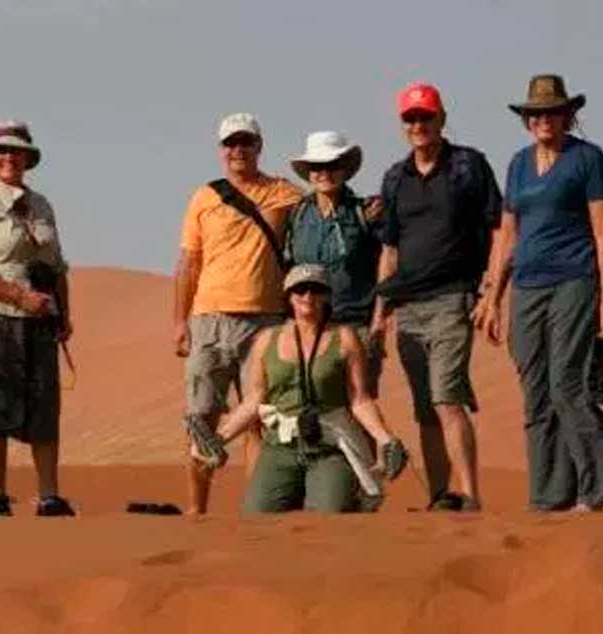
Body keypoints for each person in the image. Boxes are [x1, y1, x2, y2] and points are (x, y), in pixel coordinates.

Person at [475, 74, 603, 511]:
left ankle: (596, 490)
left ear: (568, 116)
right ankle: (548, 497)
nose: (544, 120)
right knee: (536, 391)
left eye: (552, 112)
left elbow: (601, 231)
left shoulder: (587, 159)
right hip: (527, 286)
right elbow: (507, 233)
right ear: (527, 120)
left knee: (569, 384)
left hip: (574, 278)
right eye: (536, 114)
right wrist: (493, 296)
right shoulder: (518, 164)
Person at [373, 82, 502, 511]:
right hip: (408, 306)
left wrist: (490, 291)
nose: (419, 125)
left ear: (441, 118)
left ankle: (470, 495)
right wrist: (380, 310)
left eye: (426, 116)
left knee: (447, 397)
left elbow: (499, 226)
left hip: (452, 298)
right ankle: (439, 497)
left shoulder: (468, 165)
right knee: (424, 407)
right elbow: (389, 249)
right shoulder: (396, 177)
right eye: (410, 118)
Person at [174, 113, 303, 516]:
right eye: (230, 143)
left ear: (259, 147)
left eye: (246, 143)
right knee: (201, 417)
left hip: (265, 321)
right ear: (220, 149)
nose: (238, 151)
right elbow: (188, 262)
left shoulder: (285, 194)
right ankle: (197, 510)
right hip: (208, 318)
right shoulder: (204, 198)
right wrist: (179, 321)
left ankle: (256, 510)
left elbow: (321, 210)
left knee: (260, 417)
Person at [208, 265, 405, 513]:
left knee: (330, 515)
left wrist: (387, 440)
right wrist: (220, 438)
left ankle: (344, 491)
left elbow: (359, 400)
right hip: (281, 446)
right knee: (255, 515)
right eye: (300, 289)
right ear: (289, 296)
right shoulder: (266, 340)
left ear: (326, 295)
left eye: (316, 289)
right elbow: (254, 400)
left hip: (329, 445)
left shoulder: (344, 338)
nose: (308, 296)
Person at [0, 120, 75, 517]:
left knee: (45, 405)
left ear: (27, 158)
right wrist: (20, 297)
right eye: (1, 151)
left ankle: (49, 494)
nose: (9, 157)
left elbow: (56, 266)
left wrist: (63, 313)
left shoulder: (42, 205)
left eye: (16, 151)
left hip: (41, 319)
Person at [287, 131, 385, 400]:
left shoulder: (366, 212)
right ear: (308, 172)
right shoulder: (298, 216)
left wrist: (379, 321)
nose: (324, 173)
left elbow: (388, 266)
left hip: (357, 324)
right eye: (317, 167)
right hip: (310, 328)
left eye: (332, 165)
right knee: (314, 409)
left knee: (361, 407)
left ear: (344, 169)